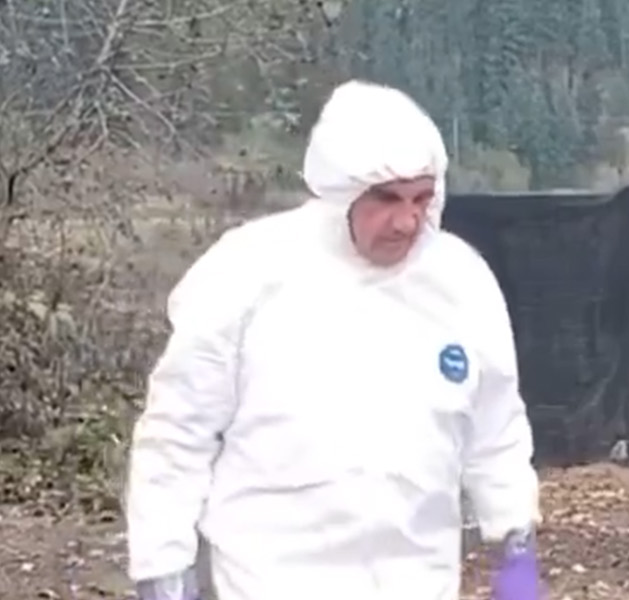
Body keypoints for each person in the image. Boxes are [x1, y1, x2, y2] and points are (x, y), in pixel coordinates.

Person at [123, 80, 542, 600]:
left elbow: (496, 425)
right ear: (341, 190)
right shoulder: (248, 273)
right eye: (386, 199)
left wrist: (516, 539)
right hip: (269, 579)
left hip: (417, 578)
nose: (407, 220)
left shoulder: (459, 282)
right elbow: (179, 430)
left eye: (421, 198)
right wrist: (163, 565)